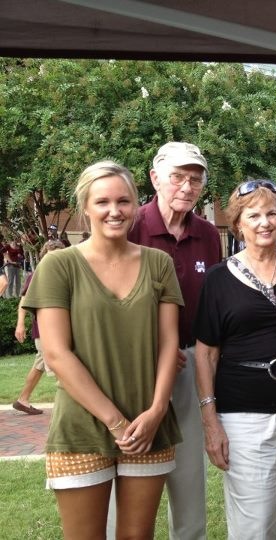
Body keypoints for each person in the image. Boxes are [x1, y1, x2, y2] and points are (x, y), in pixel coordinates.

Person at [21, 160, 183, 538]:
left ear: (135, 204)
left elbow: (169, 343)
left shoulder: (159, 264)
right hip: (81, 428)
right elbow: (58, 354)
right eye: (103, 202)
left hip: (149, 426)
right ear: (86, 208)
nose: (115, 211)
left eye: (124, 201)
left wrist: (157, 410)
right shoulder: (59, 266)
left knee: (136, 536)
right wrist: (116, 422)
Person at [195, 179, 276, 539]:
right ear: (237, 224)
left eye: (272, 213)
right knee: (254, 523)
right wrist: (210, 423)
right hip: (244, 417)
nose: (264, 222)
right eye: (253, 215)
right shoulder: (219, 279)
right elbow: (205, 355)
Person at [107, 141, 222, 540]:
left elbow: (210, 305)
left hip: (189, 364)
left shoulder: (208, 234)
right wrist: (153, 347)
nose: (187, 187)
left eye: (195, 179)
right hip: (134, 366)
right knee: (128, 460)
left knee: (188, 472)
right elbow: (106, 302)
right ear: (155, 178)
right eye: (178, 177)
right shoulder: (129, 226)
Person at [12, 239, 66, 415]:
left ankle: (23, 399)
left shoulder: (63, 274)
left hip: (58, 330)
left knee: (40, 364)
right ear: (44, 257)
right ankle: (68, 409)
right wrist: (20, 324)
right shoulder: (37, 275)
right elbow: (24, 301)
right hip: (45, 332)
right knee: (62, 369)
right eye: (52, 256)